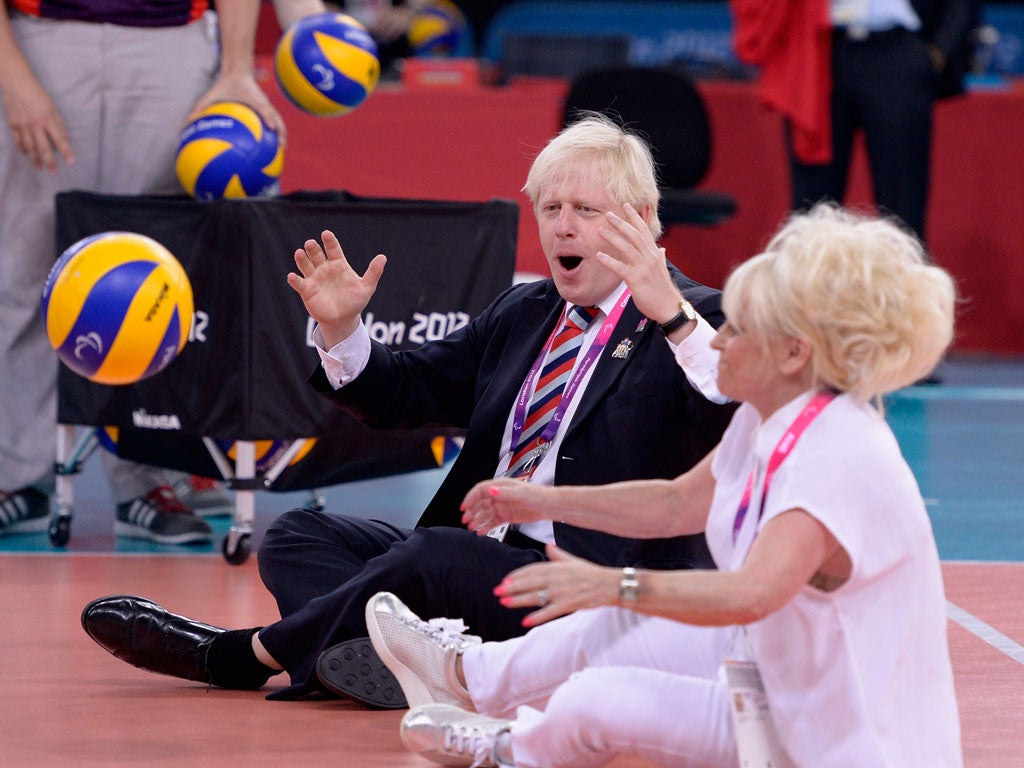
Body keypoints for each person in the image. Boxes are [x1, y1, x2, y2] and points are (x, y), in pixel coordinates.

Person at [80, 113, 737, 707]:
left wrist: (670, 315)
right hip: (476, 562)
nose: (563, 226)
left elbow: (729, 404)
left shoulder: (699, 318)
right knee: (299, 536)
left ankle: (246, 655)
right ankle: (420, 663)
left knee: (431, 556)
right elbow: (406, 392)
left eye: (587, 209)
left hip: (584, 584)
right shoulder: (527, 311)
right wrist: (342, 332)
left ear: (642, 217)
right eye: (552, 206)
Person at [364, 203, 962, 767]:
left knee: (595, 696)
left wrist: (610, 583)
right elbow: (677, 501)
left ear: (792, 352)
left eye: (739, 328)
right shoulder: (772, 413)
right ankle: (465, 674)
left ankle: (510, 746)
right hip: (777, 669)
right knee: (606, 630)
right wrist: (537, 498)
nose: (718, 336)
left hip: (825, 736)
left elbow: (752, 594)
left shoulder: (839, 455)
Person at [0, 0, 284, 541]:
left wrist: (236, 68)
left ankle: (147, 480)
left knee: (155, 277)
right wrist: (13, 77)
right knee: (24, 265)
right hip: (41, 37)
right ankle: (17, 478)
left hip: (169, 40)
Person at [730, 0, 976, 240]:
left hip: (896, 51)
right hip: (818, 48)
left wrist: (938, 52)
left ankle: (906, 280)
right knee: (812, 209)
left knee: (903, 206)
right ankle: (808, 280)